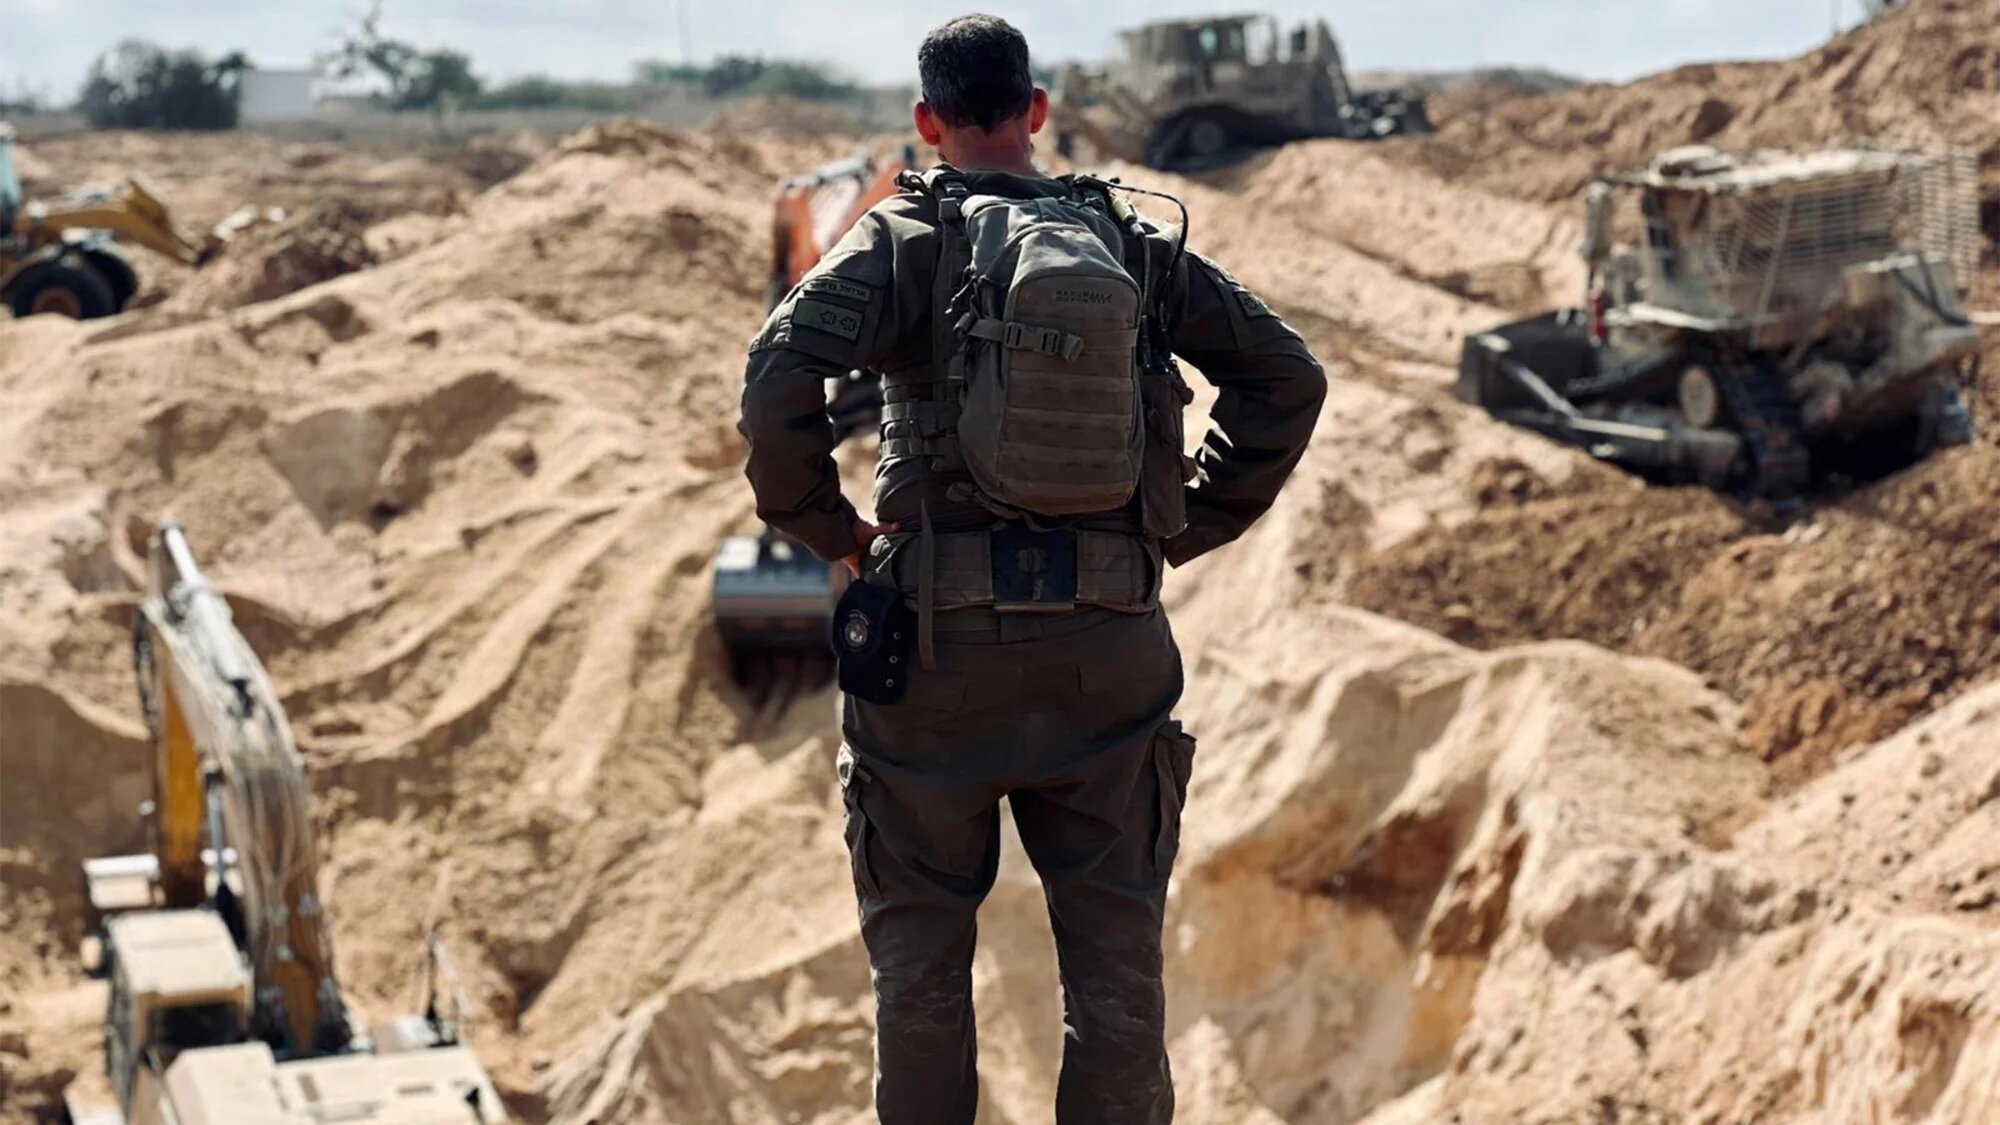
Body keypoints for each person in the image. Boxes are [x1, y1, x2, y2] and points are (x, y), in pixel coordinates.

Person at [738, 14, 1325, 1124]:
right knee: (1116, 977)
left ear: (927, 124)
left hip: (934, 657)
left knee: (919, 970)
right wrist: (1186, 525)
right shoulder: (1131, 246)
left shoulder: (899, 241)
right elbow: (1287, 377)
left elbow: (774, 375)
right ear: (1037, 110)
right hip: (1107, 656)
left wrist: (831, 532)